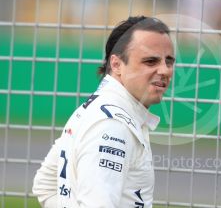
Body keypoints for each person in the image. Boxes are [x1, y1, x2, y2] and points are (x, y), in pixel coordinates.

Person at [32, 16, 175, 207]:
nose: (165, 70)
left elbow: (45, 184)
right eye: (150, 61)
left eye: (169, 61)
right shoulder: (112, 124)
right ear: (116, 65)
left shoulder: (95, 108)